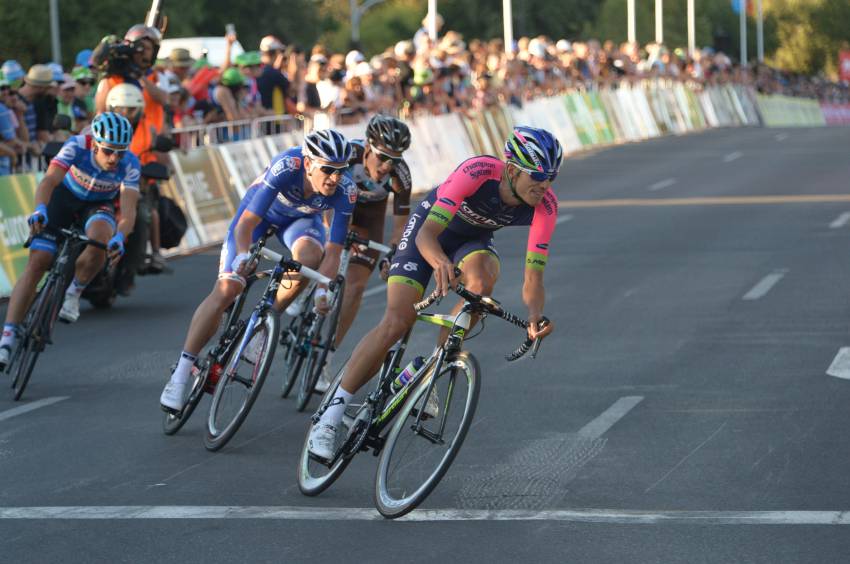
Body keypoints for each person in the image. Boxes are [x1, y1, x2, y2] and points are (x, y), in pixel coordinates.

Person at [307, 126, 561, 460]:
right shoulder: (477, 172)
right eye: (538, 177)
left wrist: (533, 316)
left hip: (473, 241)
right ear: (512, 169)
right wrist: (439, 261)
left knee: (482, 285)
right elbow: (427, 234)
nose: (544, 186)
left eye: (551, 178)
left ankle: (433, 368)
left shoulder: (546, 206)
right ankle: (330, 417)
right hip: (429, 231)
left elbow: (533, 278)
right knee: (398, 320)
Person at [159, 129, 357, 412]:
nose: (335, 178)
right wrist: (241, 258)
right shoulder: (286, 167)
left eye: (341, 170)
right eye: (328, 169)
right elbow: (245, 226)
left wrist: (323, 289)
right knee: (228, 287)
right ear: (310, 162)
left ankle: (265, 323)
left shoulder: (346, 191)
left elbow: (334, 252)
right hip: (260, 217)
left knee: (312, 255)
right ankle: (181, 372)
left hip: (299, 222)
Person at [0, 112, 141, 367]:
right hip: (63, 199)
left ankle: (74, 292)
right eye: (109, 151)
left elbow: (129, 211)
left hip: (98, 206)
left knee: (101, 240)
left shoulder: (130, 163)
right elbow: (49, 180)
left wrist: (120, 236)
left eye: (120, 152)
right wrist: (40, 209)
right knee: (38, 262)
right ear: (95, 144)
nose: (114, 158)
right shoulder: (77, 145)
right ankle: (8, 336)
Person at [315, 115, 412, 393]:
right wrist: (331, 228)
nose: (387, 166)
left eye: (395, 159)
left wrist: (392, 252)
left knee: (355, 287)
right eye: (382, 157)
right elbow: (325, 199)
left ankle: (326, 356)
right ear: (368, 148)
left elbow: (401, 225)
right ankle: (306, 290)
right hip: (337, 205)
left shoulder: (400, 175)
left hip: (370, 217)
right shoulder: (349, 155)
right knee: (318, 251)